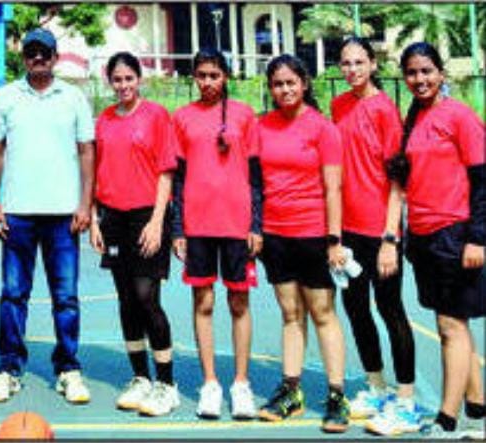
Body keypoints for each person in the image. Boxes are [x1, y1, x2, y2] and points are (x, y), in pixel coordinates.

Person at [0, 28, 96, 405]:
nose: (37, 58)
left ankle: (68, 368)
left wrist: (85, 204)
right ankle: (9, 368)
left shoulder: (73, 97)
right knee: (13, 294)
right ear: (23, 57)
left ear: (55, 57)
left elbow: (87, 152)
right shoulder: (5, 97)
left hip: (63, 213)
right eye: (31, 52)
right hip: (17, 211)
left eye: (44, 53)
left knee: (65, 296)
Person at [387, 42, 485, 439]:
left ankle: (447, 418)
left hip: (455, 234)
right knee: (453, 324)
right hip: (423, 236)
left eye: (427, 71)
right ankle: (477, 406)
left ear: (441, 73)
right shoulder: (412, 118)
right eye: (412, 72)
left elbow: (482, 181)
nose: (419, 79)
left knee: (450, 326)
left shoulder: (460, 116)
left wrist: (478, 238)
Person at [328, 37, 421, 435]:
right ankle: (377, 387)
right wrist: (333, 234)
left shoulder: (385, 109)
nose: (352, 70)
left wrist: (389, 238)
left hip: (379, 231)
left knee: (390, 309)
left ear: (372, 64)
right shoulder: (338, 105)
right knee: (355, 308)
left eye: (359, 62)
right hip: (347, 230)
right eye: (346, 63)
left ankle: (406, 401)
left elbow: (398, 180)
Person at [253, 54, 350, 433]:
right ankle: (291, 391)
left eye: (291, 82)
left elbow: (333, 188)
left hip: (313, 234)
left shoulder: (323, 129)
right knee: (291, 314)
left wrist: (334, 240)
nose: (285, 89)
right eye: (278, 84)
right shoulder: (262, 126)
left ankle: (337, 395)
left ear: (304, 84)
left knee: (323, 314)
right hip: (276, 235)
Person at [170, 49, 261, 420]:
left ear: (226, 77)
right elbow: (177, 178)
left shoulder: (244, 115)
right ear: (194, 77)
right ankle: (210, 383)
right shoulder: (182, 117)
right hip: (198, 225)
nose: (207, 82)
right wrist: (178, 228)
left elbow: (256, 175)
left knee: (239, 303)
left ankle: (241, 384)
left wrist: (256, 224)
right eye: (201, 75)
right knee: (203, 303)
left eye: (214, 75)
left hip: (238, 224)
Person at [89, 51, 178, 417]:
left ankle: (166, 384)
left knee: (146, 297)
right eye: (117, 79)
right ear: (110, 81)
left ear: (139, 79)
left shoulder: (156, 115)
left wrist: (157, 221)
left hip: (146, 215)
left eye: (129, 78)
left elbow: (166, 171)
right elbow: (95, 171)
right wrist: (94, 218)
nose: (123, 85)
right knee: (126, 299)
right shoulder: (104, 120)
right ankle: (140, 377)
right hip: (112, 217)